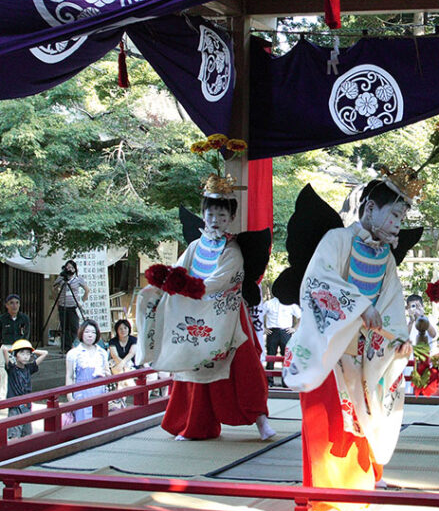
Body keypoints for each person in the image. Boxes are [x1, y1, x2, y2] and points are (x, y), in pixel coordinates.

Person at [282, 174, 417, 506]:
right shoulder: (337, 239)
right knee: (331, 423)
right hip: (329, 347)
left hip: (362, 351)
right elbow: (318, 282)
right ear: (370, 208)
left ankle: (361, 484)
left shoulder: (386, 257)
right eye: (394, 215)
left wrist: (398, 340)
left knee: (365, 415)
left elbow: (392, 302)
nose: (398, 224)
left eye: (401, 218)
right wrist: (359, 307)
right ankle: (331, 495)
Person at [137, 177, 275, 442]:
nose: (215, 220)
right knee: (192, 366)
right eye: (211, 215)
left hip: (228, 315)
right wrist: (163, 283)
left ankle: (261, 419)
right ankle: (194, 424)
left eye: (222, 216)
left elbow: (220, 281)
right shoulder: (194, 247)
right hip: (197, 315)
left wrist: (190, 286)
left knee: (245, 367)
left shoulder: (232, 250)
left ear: (231, 218)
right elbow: (179, 271)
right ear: (203, 215)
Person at [65, 320, 110, 422]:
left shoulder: (102, 352)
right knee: (83, 423)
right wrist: (69, 396)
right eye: (87, 332)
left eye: (93, 332)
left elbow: (108, 372)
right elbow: (69, 376)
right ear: (81, 333)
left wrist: (105, 374)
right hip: (81, 394)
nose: (90, 335)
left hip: (99, 392)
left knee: (100, 423)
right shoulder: (73, 353)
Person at [3, 339, 47, 438]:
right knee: (15, 434)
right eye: (22, 353)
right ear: (16, 355)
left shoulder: (28, 368)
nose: (25, 356)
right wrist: (12, 351)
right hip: (15, 406)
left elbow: (45, 353)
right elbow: (4, 349)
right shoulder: (12, 368)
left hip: (27, 405)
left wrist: (33, 351)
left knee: (27, 433)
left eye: (28, 354)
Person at [262, 294, 300, 387]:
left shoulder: (291, 304)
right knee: (270, 356)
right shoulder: (269, 303)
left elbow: (300, 316)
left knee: (286, 357)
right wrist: (263, 328)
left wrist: (294, 328)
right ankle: (269, 381)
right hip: (272, 332)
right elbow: (259, 315)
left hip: (285, 332)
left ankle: (286, 382)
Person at [54, 260, 88, 353]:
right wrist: (56, 300)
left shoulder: (78, 279)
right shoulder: (61, 278)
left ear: (75, 269)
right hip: (62, 305)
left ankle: (75, 346)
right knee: (64, 328)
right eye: (68, 267)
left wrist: (83, 300)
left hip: (73, 306)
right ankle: (65, 348)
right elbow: (54, 287)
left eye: (72, 267)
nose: (69, 269)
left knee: (74, 327)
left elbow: (87, 289)